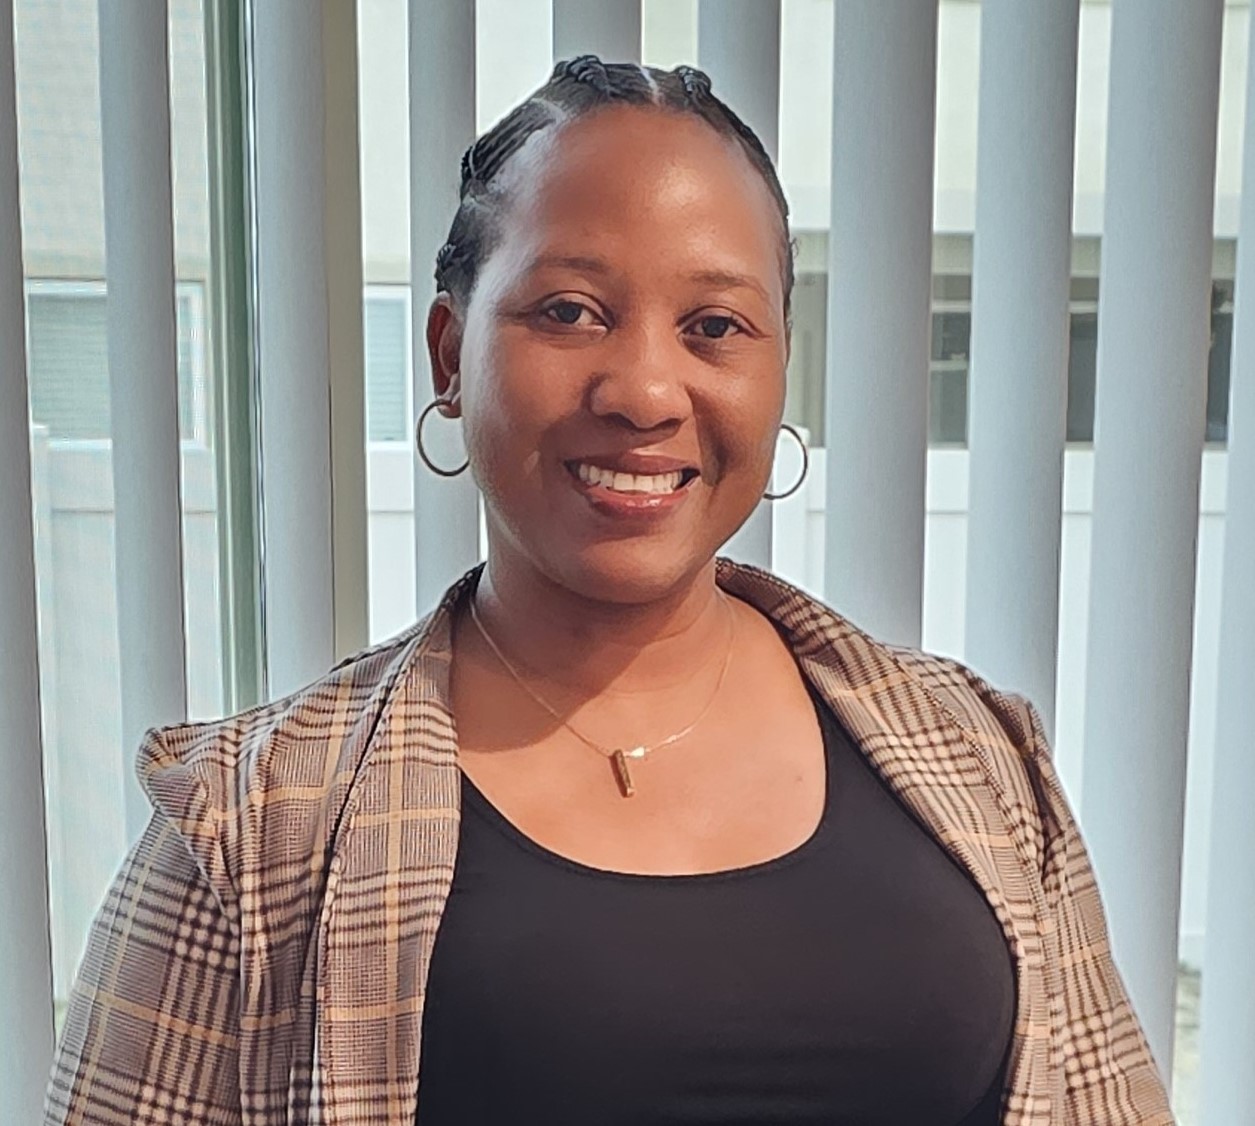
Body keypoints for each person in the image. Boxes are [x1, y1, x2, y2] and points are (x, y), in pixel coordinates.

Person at [46, 56, 1173, 1126]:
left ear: (780, 367)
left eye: (714, 327)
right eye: (569, 311)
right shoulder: (253, 826)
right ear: (449, 356)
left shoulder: (982, 759)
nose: (643, 390)